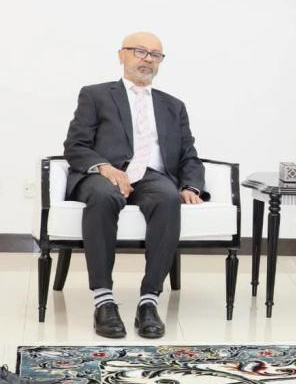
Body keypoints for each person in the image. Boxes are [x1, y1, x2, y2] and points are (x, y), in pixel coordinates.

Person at [63, 32, 205, 340]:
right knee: (103, 197)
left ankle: (149, 301)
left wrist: (191, 186)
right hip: (103, 173)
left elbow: (189, 154)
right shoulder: (96, 95)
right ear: (122, 55)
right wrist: (105, 168)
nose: (148, 59)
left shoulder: (173, 106)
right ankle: (103, 301)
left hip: (152, 175)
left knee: (168, 198)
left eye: (155, 55)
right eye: (140, 51)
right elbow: (75, 145)